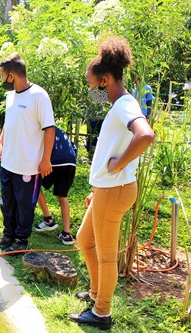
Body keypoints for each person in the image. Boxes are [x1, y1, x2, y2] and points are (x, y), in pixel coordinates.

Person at [68, 37, 155, 330]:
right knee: (84, 240)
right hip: (107, 191)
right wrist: (98, 189)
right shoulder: (119, 104)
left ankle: (101, 312)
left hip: (114, 191)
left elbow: (145, 135)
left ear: (105, 80)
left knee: (106, 257)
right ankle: (95, 294)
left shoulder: (123, 106)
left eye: (93, 86)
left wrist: (117, 165)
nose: (92, 92)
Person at [0, 53, 55, 253]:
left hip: (29, 165)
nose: (1, 79)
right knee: (7, 202)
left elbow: (49, 128)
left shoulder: (38, 95)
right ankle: (8, 234)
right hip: (8, 162)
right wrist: (0, 143)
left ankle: (21, 240)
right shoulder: (10, 96)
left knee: (25, 205)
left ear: (12, 75)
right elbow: (8, 124)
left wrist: (46, 159)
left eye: (2, 75)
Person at [34, 126, 77, 245]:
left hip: (55, 160)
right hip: (71, 162)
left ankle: (48, 219)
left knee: (34, 185)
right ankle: (67, 234)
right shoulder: (59, 130)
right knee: (63, 197)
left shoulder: (42, 128)